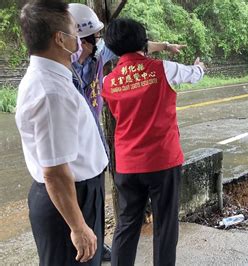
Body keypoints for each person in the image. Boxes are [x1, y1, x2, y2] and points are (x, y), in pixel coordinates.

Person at [67, 3, 186, 261]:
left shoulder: (101, 58)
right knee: (80, 211)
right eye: (94, 38)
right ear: (77, 42)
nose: (98, 43)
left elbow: (133, 46)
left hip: (100, 150)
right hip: (71, 149)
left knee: (112, 213)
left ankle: (96, 247)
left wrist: (165, 46)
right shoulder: (63, 70)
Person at [101, 18, 205, 265]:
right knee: (165, 225)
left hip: (126, 165)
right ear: (143, 42)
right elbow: (194, 75)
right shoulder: (163, 69)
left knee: (126, 224)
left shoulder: (108, 82)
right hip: (163, 161)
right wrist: (200, 67)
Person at [16, 0, 108, 265]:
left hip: (76, 194)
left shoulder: (53, 77)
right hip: (68, 200)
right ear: (60, 39)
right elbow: (55, 172)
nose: (78, 39)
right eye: (73, 32)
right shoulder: (51, 92)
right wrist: (78, 227)